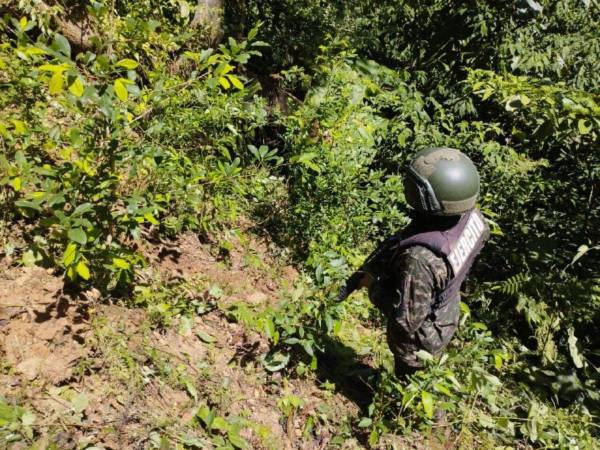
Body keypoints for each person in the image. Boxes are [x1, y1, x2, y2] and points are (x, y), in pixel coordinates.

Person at [341, 147, 490, 377]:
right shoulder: (473, 219)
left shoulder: (418, 259)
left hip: (424, 337)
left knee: (411, 376)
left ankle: (397, 400)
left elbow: (406, 323)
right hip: (446, 311)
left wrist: (373, 287)